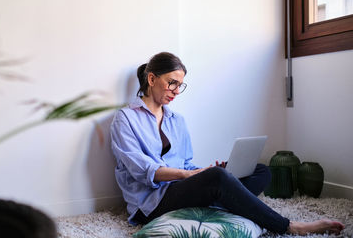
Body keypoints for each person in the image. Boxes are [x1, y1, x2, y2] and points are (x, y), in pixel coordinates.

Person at [110, 52, 345, 235]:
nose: (176, 91)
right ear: (151, 79)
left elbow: (187, 164)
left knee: (261, 171)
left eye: (180, 85)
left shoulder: (176, 120)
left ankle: (224, 191)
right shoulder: (125, 118)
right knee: (218, 179)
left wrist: (205, 172)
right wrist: (194, 176)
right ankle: (291, 226)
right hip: (151, 203)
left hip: (179, 190)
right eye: (172, 83)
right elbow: (141, 170)